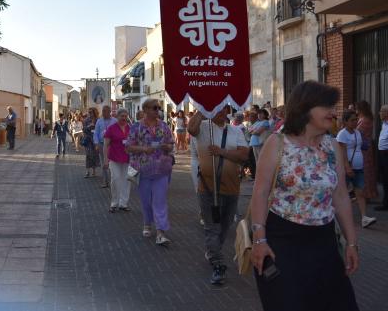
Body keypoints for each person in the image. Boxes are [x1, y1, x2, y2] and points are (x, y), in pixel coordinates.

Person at [250, 81, 359, 311]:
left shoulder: (332, 147)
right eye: (326, 106)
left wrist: (351, 243)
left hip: (324, 242)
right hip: (283, 242)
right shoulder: (277, 143)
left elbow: (340, 195)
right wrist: (259, 240)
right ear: (305, 108)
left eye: (333, 106)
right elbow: (259, 193)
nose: (333, 112)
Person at [188, 106, 249, 285]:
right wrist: (203, 106)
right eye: (217, 108)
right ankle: (218, 263)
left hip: (231, 187)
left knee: (224, 225)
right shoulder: (203, 127)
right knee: (212, 228)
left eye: (224, 109)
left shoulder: (235, 131)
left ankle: (213, 251)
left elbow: (244, 155)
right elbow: (191, 129)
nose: (222, 112)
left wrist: (222, 152)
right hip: (207, 187)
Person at [126, 99, 174, 246]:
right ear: (146, 109)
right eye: (155, 108)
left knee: (160, 201)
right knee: (146, 201)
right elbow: (128, 146)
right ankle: (147, 222)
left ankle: (161, 232)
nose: (157, 110)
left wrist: (166, 146)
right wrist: (143, 149)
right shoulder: (136, 127)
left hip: (162, 170)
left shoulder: (164, 126)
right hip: (143, 170)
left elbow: (171, 145)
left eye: (158, 108)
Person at [337, 110, 377, 228]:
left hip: (359, 167)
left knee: (360, 192)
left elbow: (359, 148)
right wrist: (347, 167)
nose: (355, 122)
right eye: (352, 120)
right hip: (347, 169)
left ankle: (364, 217)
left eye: (356, 119)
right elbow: (342, 152)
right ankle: (340, 218)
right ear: (345, 121)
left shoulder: (357, 133)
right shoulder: (342, 134)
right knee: (342, 194)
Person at [103, 108, 131, 213]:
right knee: (115, 180)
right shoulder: (111, 128)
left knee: (127, 181)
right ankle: (114, 203)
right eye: (122, 116)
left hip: (127, 159)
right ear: (117, 117)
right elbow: (105, 145)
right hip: (114, 158)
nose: (124, 118)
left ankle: (123, 203)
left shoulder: (130, 128)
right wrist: (105, 160)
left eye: (125, 116)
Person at [356, 100, 378, 199]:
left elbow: (357, 131)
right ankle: (369, 192)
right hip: (366, 146)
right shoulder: (366, 118)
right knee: (367, 169)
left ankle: (367, 193)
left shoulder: (365, 119)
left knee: (365, 170)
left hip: (364, 148)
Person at [94, 105, 117, 188]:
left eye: (105, 111)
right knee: (103, 163)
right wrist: (96, 143)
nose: (104, 113)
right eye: (103, 111)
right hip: (101, 144)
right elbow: (96, 133)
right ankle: (104, 181)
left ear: (109, 111)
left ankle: (111, 181)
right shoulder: (99, 121)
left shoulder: (115, 121)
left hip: (112, 145)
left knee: (112, 164)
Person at [375, 104, 388, 211]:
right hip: (381, 154)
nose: (379, 113)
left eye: (381, 111)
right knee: (384, 178)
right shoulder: (384, 124)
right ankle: (385, 202)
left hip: (386, 154)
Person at [83, 107, 100, 177]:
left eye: (91, 112)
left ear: (94, 113)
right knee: (88, 155)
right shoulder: (86, 120)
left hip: (96, 141)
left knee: (95, 155)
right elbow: (84, 129)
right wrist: (89, 126)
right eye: (89, 112)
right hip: (88, 140)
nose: (89, 114)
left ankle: (94, 171)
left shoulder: (98, 120)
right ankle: (87, 172)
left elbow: (100, 129)